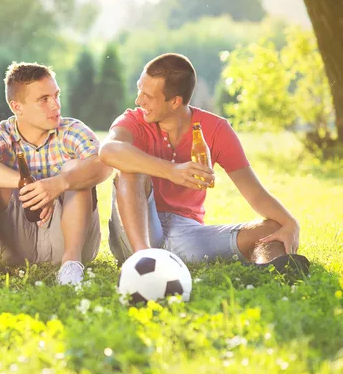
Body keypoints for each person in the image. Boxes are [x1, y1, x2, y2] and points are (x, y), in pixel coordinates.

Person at [99, 53, 309, 273]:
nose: (138, 100)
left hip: (187, 234)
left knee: (273, 228)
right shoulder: (133, 120)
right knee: (130, 171)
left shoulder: (215, 129)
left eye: (147, 96)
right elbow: (109, 150)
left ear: (175, 102)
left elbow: (254, 193)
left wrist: (289, 222)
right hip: (135, 233)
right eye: (139, 90)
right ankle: (145, 263)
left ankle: (268, 270)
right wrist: (172, 171)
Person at [0, 62, 113, 286]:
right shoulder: (0, 134)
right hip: (16, 245)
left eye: (56, 95)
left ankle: (71, 267)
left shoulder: (72, 130)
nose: (56, 105)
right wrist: (28, 184)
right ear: (17, 107)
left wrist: (59, 183)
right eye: (44, 99)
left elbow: (103, 164)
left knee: (75, 169)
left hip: (71, 241)